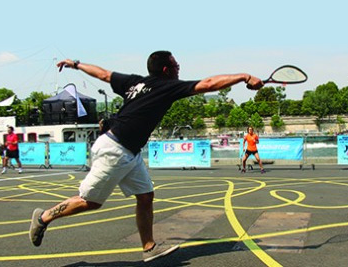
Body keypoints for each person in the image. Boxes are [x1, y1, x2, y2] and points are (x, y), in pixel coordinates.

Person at [29, 51, 263, 262]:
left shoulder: (134, 82)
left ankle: (149, 247)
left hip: (127, 151)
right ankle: (44, 217)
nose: (179, 67)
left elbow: (103, 74)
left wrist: (76, 64)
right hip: (115, 149)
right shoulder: (168, 86)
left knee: (145, 195)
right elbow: (209, 83)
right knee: (90, 201)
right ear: (166, 70)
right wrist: (243, 76)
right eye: (175, 64)